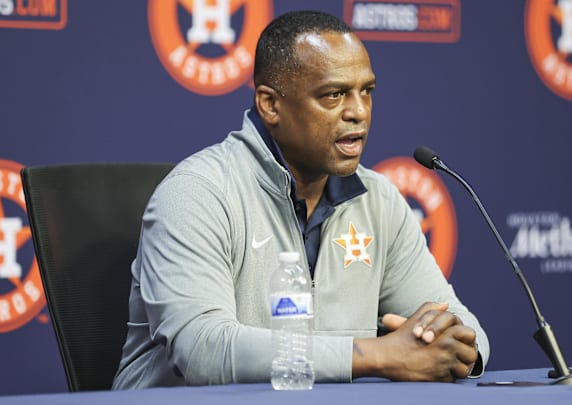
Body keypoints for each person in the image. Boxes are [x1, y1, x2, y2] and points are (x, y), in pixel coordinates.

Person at [112, 10, 489, 389]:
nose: (358, 112)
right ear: (270, 105)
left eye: (366, 92)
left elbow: (463, 324)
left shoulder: (379, 201)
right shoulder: (198, 193)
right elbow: (203, 350)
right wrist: (381, 355)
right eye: (334, 94)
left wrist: (452, 346)